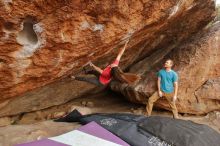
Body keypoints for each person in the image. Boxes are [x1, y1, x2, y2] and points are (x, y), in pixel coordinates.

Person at [71, 40, 140, 87]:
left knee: (87, 79)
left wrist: (91, 64)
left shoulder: (107, 73)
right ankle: (86, 72)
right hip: (101, 76)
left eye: (112, 66)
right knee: (93, 71)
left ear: (111, 70)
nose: (112, 64)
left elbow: (98, 69)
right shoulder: (115, 65)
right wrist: (125, 44)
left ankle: (74, 77)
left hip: (100, 82)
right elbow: (120, 54)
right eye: (113, 65)